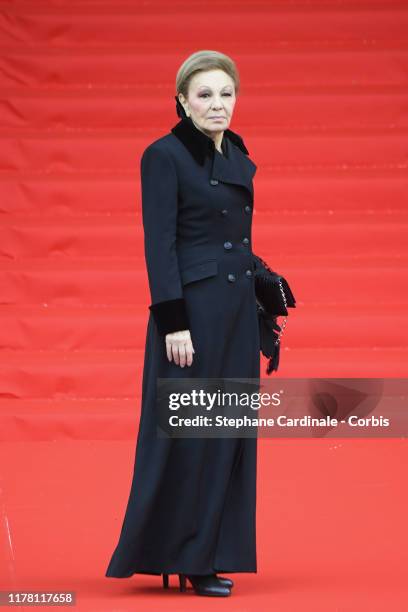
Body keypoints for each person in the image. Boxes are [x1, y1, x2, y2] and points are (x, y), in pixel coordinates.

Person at [105, 49, 260, 598]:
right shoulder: (163, 156)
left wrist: (259, 277)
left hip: (237, 313)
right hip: (191, 318)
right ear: (182, 101)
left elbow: (231, 238)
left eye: (226, 94)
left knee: (228, 434)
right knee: (192, 435)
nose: (218, 104)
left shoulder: (237, 153)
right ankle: (188, 556)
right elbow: (161, 244)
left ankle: (212, 550)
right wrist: (173, 322)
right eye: (205, 95)